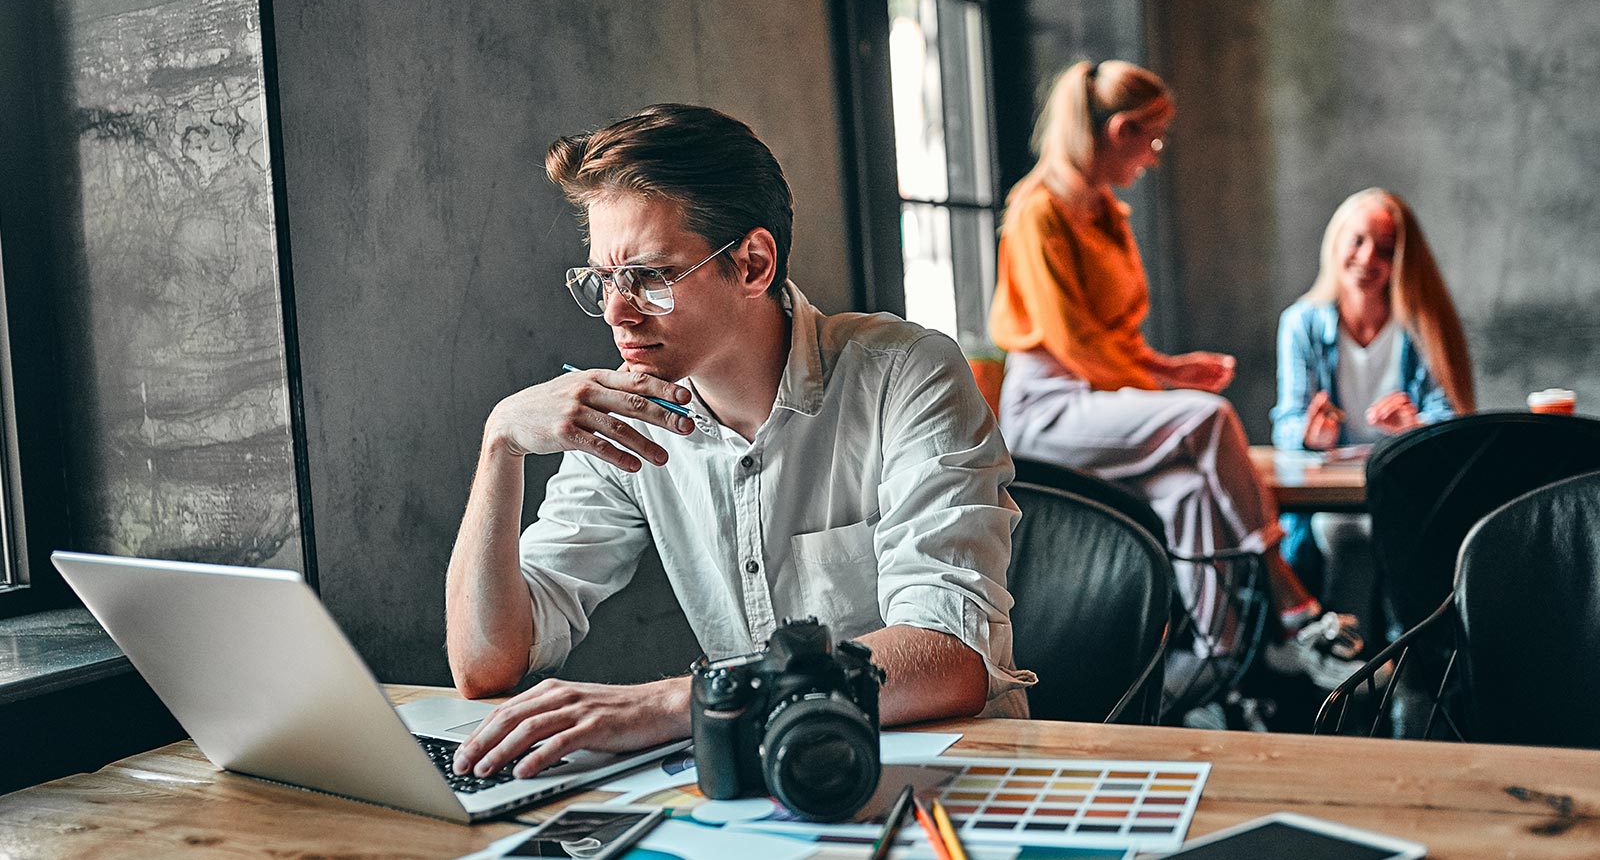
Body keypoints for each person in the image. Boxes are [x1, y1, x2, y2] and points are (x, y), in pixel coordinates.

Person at [446, 104, 1033, 781]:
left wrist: (674, 702)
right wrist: (500, 446)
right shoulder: (629, 414)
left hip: (951, 780)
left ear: (753, 264)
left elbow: (948, 652)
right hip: (766, 791)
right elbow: (485, 664)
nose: (616, 311)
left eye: (649, 277)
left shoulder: (907, 373)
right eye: (604, 279)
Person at [987, 59, 1358, 689]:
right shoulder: (1036, 212)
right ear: (1118, 130)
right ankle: (1287, 591)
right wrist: (1167, 387)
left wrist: (1166, 366)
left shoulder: (1107, 215)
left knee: (1187, 491)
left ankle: (1222, 662)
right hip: (1047, 409)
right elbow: (1073, 344)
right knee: (1209, 417)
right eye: (1151, 138)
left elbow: (1112, 337)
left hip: (1099, 392)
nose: (1154, 155)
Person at [1270, 187, 1475, 641]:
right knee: (1345, 532)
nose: (1368, 258)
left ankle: (1398, 672)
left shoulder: (1422, 325)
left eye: (1386, 249)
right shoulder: (1302, 324)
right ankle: (1360, 676)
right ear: (1336, 241)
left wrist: (1414, 430)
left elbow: (1454, 426)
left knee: (1401, 531)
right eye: (1358, 240)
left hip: (1407, 490)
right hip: (1335, 503)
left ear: (1404, 260)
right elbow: (1287, 424)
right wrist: (1311, 436)